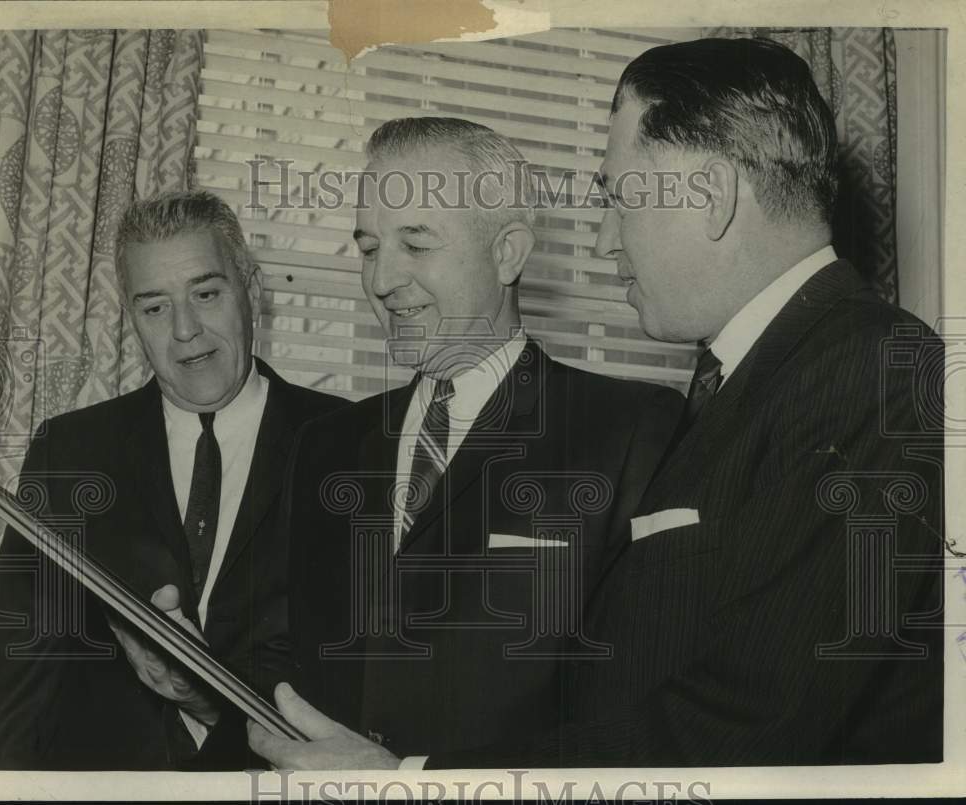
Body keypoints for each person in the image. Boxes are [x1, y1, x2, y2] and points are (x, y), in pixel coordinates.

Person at [249, 38, 944, 769]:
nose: (605, 237)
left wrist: (406, 781)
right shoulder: (753, 378)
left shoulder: (871, 370)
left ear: (709, 195)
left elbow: (749, 718)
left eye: (618, 197)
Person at [248, 117, 682, 765]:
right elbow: (282, 659)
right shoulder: (323, 445)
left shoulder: (632, 430)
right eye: (369, 248)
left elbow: (644, 712)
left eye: (416, 244)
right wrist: (197, 686)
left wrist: (408, 783)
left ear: (508, 252)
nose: (382, 280)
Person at [0, 190, 344, 770]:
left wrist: (209, 707)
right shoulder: (69, 451)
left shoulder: (346, 443)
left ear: (252, 289)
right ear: (132, 318)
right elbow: (18, 684)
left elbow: (362, 686)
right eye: (155, 307)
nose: (185, 330)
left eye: (206, 294)